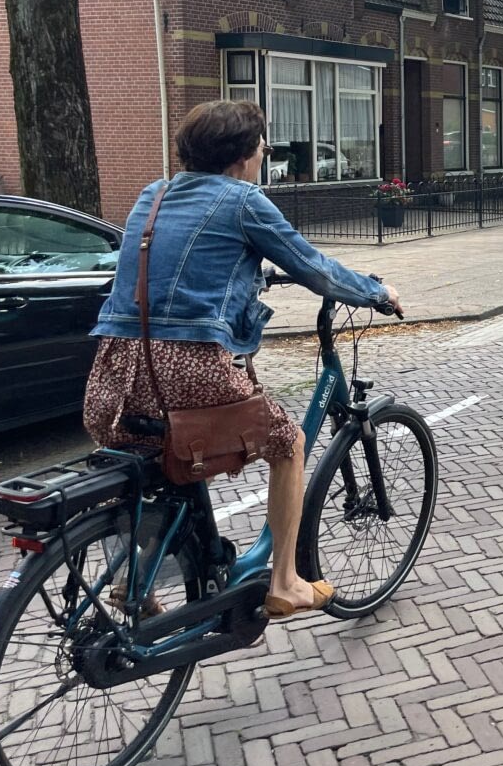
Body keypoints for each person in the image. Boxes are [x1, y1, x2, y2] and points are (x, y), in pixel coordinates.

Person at [86, 101, 405, 620]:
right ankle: (285, 581)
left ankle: (134, 582)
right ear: (242, 156)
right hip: (184, 366)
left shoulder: (154, 193)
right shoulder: (243, 201)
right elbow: (313, 267)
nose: (264, 156)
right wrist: (376, 292)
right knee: (289, 441)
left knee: (169, 457)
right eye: (263, 148)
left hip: (118, 365)